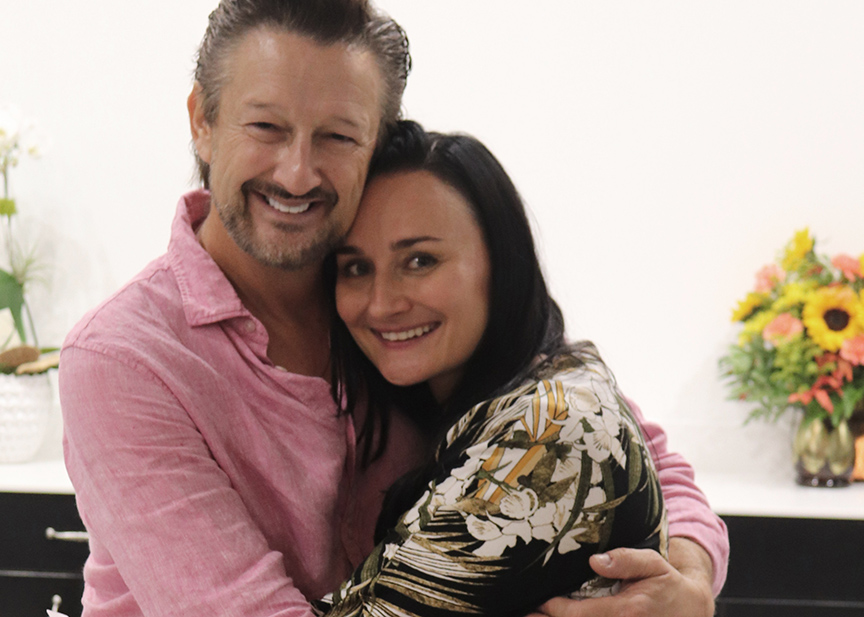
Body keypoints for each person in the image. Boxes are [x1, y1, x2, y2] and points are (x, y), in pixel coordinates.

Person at [58, 1, 726, 616]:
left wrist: (688, 584)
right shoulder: (123, 359)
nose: (296, 173)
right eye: (266, 126)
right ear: (202, 122)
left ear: (378, 143)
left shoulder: (388, 307)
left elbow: (639, 450)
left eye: (337, 136)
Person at [313, 120, 667, 616]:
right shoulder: (536, 383)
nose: (381, 303)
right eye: (356, 267)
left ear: (502, 262)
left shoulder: (553, 426)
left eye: (420, 261)